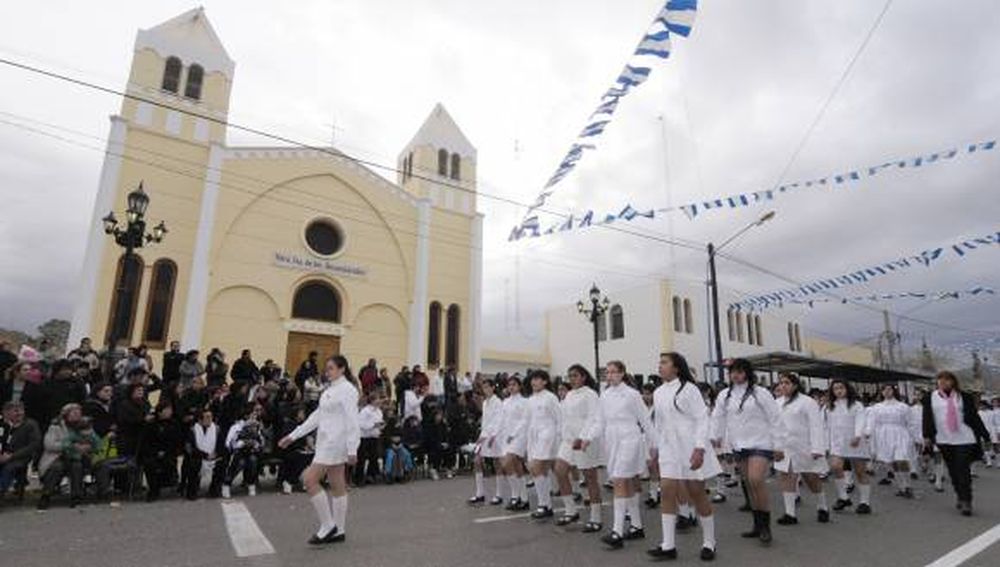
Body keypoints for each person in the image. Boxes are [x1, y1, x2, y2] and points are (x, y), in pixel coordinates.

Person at [278, 355, 360, 545]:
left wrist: (352, 448)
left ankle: (327, 525)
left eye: (331, 368)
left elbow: (352, 421)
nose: (327, 372)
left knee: (309, 479)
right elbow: (317, 416)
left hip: (335, 443)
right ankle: (339, 530)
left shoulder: (348, 390)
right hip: (325, 442)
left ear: (342, 369)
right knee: (336, 482)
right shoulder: (330, 389)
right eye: (327, 368)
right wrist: (293, 436)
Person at [648, 353, 721, 561]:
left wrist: (699, 448)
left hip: (690, 446)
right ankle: (668, 545)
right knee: (668, 491)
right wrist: (655, 449)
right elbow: (659, 424)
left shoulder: (689, 390)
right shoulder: (659, 392)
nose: (660, 366)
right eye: (659, 362)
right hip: (668, 447)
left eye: (664, 363)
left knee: (696, 493)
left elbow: (701, 419)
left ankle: (709, 541)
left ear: (677, 368)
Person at [580, 360, 654, 549]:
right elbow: (600, 421)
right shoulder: (604, 395)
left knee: (619, 480)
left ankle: (617, 532)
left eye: (614, 372)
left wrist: (655, 445)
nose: (610, 375)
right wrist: (588, 437)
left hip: (629, 438)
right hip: (612, 441)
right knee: (626, 483)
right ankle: (637, 527)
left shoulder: (632, 395)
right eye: (608, 372)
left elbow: (645, 420)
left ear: (622, 374)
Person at [711, 358, 784, 546]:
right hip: (739, 444)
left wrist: (779, 445)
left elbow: (775, 418)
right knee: (749, 485)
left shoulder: (761, 393)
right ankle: (757, 525)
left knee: (756, 479)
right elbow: (717, 417)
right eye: (732, 372)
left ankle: (766, 526)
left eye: (740, 371)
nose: (735, 375)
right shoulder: (725, 395)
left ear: (747, 373)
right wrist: (715, 436)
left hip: (761, 442)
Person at [922, 371, 991, 516]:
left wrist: (985, 435)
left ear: (953, 381)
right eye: (940, 380)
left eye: (947, 380)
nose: (943, 382)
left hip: (965, 437)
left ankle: (967, 501)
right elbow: (927, 417)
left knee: (962, 469)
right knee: (953, 470)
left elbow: (973, 416)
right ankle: (959, 494)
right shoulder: (930, 397)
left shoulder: (964, 396)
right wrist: (927, 436)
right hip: (943, 438)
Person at [772, 373, 829, 527]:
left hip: (804, 446)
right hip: (784, 447)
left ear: (795, 385)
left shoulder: (807, 402)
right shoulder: (776, 403)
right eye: (781, 383)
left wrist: (817, 448)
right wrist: (774, 447)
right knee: (786, 476)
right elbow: (774, 427)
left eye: (787, 383)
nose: (783, 386)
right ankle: (790, 514)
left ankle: (822, 506)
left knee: (811, 478)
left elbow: (816, 426)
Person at [554, 364, 602, 530]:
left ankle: (596, 518)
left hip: (585, 440)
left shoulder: (590, 394)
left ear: (583, 377)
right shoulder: (569, 395)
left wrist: (583, 437)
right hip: (568, 441)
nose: (572, 379)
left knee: (590, 478)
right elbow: (566, 419)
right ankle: (571, 511)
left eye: (575, 375)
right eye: (570, 376)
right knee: (559, 470)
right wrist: (565, 436)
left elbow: (594, 418)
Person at [825, 379, 872, 514]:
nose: (838, 391)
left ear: (847, 389)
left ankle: (864, 502)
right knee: (835, 466)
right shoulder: (830, 407)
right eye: (835, 389)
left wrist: (858, 435)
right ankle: (843, 497)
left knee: (859, 472)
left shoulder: (856, 405)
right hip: (838, 443)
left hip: (855, 442)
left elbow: (860, 420)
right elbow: (827, 426)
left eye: (841, 387)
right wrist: (826, 444)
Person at [38, 403, 94, 509]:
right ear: (66, 414)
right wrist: (70, 446)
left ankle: (76, 496)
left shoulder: (84, 426)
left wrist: (87, 446)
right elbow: (49, 445)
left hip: (76, 457)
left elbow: (93, 443)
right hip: (57, 456)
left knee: (76, 466)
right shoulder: (56, 426)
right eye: (74, 413)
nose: (77, 415)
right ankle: (46, 495)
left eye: (79, 413)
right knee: (57, 467)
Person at [865, 384, 917, 499]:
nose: (887, 391)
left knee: (901, 459)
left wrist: (915, 437)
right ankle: (901, 487)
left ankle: (907, 485)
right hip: (884, 436)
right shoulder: (877, 407)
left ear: (894, 391)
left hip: (900, 434)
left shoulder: (902, 406)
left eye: (889, 389)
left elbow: (911, 423)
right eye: (885, 389)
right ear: (882, 392)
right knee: (892, 461)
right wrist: (868, 432)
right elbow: (871, 422)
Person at [524, 369, 561, 519]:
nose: (534, 382)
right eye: (533, 379)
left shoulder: (550, 397)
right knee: (537, 471)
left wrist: (558, 438)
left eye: (538, 379)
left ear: (545, 381)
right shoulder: (530, 399)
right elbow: (528, 422)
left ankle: (543, 504)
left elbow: (559, 419)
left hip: (547, 435)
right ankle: (546, 506)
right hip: (534, 437)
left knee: (536, 467)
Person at [469, 378, 506, 505]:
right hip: (484, 435)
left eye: (487, 387)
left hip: (495, 436)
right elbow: (485, 421)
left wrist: (490, 435)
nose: (485, 390)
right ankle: (480, 494)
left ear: (493, 388)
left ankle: (499, 494)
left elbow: (498, 421)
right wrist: (482, 434)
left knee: (497, 463)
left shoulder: (498, 402)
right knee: (477, 460)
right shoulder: (485, 403)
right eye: (483, 388)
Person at [499, 374, 530, 511]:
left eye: (514, 385)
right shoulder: (505, 402)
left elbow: (524, 420)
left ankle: (515, 495)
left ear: (519, 386)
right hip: (506, 438)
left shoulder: (524, 402)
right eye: (509, 385)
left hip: (519, 437)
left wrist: (514, 434)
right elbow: (502, 421)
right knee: (516, 466)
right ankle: (524, 499)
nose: (511, 387)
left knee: (506, 463)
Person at [142, 402, 184, 502]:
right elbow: (146, 442)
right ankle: (153, 490)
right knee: (150, 464)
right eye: (167, 410)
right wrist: (156, 452)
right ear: (159, 412)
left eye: (170, 410)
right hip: (153, 452)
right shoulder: (151, 425)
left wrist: (167, 451)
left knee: (168, 462)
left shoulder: (174, 424)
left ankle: (170, 482)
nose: (169, 412)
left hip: (169, 452)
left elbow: (177, 440)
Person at [223, 403, 265, 498]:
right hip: (238, 453)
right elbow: (228, 443)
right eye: (254, 412)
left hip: (251, 452)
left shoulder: (256, 426)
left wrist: (255, 444)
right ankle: (226, 484)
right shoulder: (236, 427)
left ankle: (251, 483)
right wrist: (242, 443)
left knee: (253, 460)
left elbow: (261, 441)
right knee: (240, 462)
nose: (256, 415)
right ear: (247, 415)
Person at [0, 401, 42, 497]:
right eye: (15, 411)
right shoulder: (3, 425)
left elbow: (34, 445)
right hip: (3, 455)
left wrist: (11, 456)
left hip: (21, 456)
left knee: (9, 468)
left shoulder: (30, 425)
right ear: (7, 412)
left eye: (21, 410)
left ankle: (1, 491)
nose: (19, 413)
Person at [182, 408, 220, 500]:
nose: (210, 419)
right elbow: (190, 448)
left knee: (222, 463)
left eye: (211, 417)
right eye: (207, 417)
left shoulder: (217, 429)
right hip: (199, 457)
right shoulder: (192, 430)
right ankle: (192, 490)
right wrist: (205, 455)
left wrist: (216, 454)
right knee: (192, 463)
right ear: (200, 420)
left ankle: (214, 490)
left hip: (214, 456)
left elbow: (221, 445)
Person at [355, 393, 384, 485]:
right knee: (362, 458)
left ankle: (370, 476)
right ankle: (358, 479)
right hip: (364, 437)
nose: (379, 401)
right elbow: (361, 424)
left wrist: (381, 426)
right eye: (377, 399)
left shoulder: (379, 411)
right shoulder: (365, 411)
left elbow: (380, 422)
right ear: (372, 401)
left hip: (374, 436)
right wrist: (374, 425)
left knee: (373, 457)